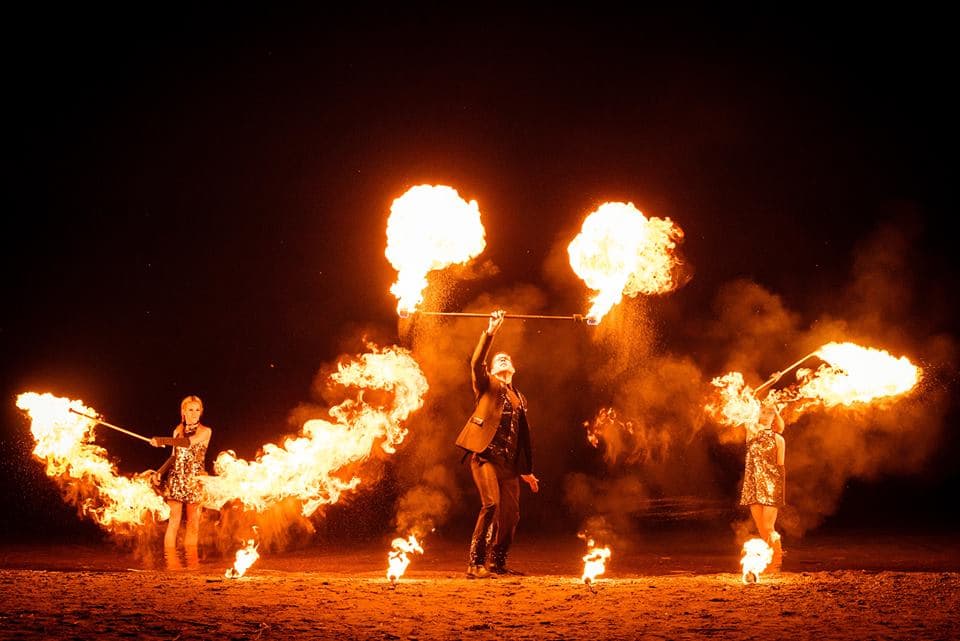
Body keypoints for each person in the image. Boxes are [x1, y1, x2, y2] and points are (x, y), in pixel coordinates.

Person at [455, 309, 539, 579]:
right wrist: (491, 331)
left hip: (509, 465)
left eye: (507, 358)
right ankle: (475, 564)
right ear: (492, 370)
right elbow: (476, 361)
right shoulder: (486, 385)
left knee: (511, 516)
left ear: (514, 368)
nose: (503, 359)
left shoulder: (521, 398)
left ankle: (497, 564)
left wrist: (525, 471)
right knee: (490, 504)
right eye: (498, 359)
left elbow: (521, 436)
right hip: (485, 457)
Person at [150, 395, 212, 558]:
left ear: (201, 412)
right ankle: (171, 563)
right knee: (173, 522)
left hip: (194, 480)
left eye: (197, 410)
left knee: (193, 524)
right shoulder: (177, 431)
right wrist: (160, 472)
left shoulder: (206, 432)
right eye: (190, 409)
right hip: (176, 479)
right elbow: (173, 456)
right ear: (183, 411)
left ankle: (191, 563)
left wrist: (161, 440)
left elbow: (188, 442)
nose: (194, 413)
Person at [739, 393, 786, 572]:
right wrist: (772, 381)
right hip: (753, 485)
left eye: (770, 412)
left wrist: (779, 493)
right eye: (763, 412)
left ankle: (777, 560)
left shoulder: (778, 439)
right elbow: (750, 396)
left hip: (772, 486)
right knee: (761, 528)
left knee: (768, 526)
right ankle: (770, 559)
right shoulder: (751, 433)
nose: (766, 415)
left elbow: (780, 468)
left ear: (775, 417)